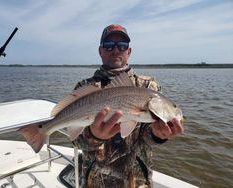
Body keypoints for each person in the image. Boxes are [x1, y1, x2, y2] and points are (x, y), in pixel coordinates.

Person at [72, 24, 184, 188]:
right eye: (109, 45)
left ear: (129, 51)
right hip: (94, 182)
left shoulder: (148, 86)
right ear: (100, 51)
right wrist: (94, 135)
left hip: (136, 182)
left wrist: (157, 134)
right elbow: (75, 140)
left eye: (122, 46)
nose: (116, 50)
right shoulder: (84, 87)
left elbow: (146, 138)